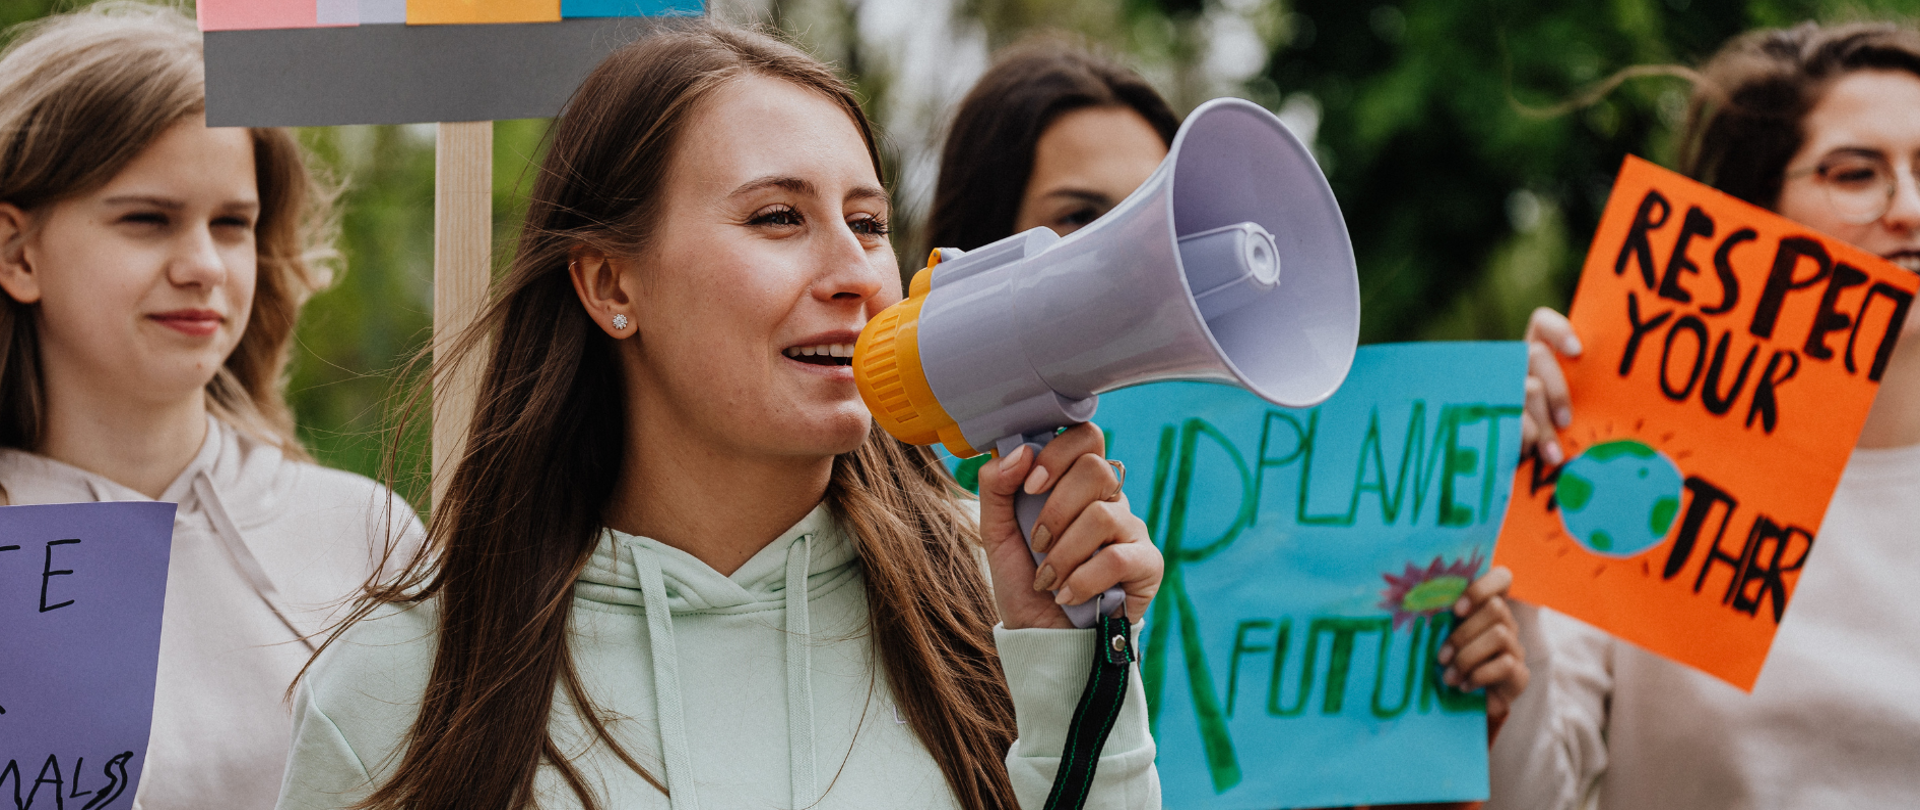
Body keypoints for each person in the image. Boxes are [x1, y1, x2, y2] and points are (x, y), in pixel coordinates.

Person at [276, 22, 1163, 810]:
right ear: (611, 284)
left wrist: (1075, 670)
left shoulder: (999, 607)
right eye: (778, 217)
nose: (855, 274)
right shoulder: (402, 685)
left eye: (867, 223)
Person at [925, 36, 1530, 739]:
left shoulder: (1263, 481)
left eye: (1154, 214)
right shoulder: (905, 527)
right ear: (978, 249)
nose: (1135, 253)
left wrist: (1441, 717)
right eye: (1083, 218)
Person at [0, 5, 419, 809]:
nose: (203, 266)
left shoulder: (368, 540)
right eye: (147, 220)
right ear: (18, 252)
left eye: (232, 225)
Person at [1493, 21, 1920, 810]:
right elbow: (1528, 795)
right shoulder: (1635, 472)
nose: (1909, 209)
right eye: (1856, 174)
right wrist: (1507, 566)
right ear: (1763, 213)